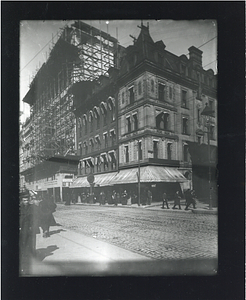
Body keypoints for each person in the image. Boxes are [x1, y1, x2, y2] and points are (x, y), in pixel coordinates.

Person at [19, 191, 40, 273]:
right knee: (23, 245)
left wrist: (34, 226)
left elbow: (36, 217)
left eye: (27, 200)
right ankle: (23, 264)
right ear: (21, 200)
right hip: (22, 228)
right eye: (24, 200)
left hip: (30, 228)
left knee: (31, 244)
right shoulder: (19, 207)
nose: (26, 202)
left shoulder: (32, 207)